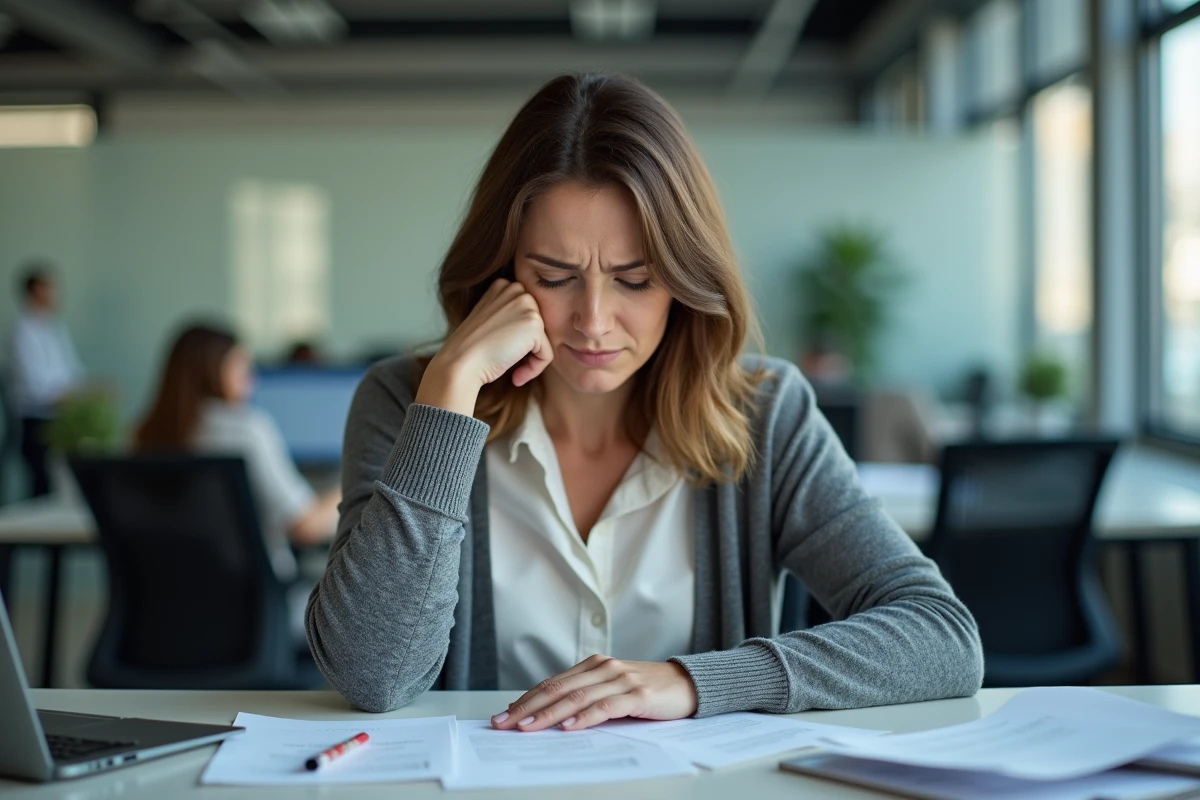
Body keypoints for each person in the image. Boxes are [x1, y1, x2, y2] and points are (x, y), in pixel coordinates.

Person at [307, 74, 983, 726]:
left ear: (685, 281)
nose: (594, 321)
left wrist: (694, 681)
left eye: (635, 279)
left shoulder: (766, 412)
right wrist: (449, 398)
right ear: (503, 273)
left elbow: (941, 637)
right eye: (554, 276)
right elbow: (374, 676)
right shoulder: (406, 402)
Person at [133, 323, 340, 588]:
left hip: (168, 601)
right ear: (211, 371)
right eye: (241, 366)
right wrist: (355, 484)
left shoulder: (143, 434)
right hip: (257, 604)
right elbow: (305, 526)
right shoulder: (247, 431)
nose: (251, 377)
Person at [9, 263, 84, 498]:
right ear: (35, 291)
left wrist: (87, 390)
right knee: (41, 486)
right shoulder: (22, 332)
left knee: (62, 485)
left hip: (61, 419)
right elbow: (36, 388)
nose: (54, 293)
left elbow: (72, 371)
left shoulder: (55, 328)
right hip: (36, 421)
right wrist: (67, 394)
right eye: (48, 287)